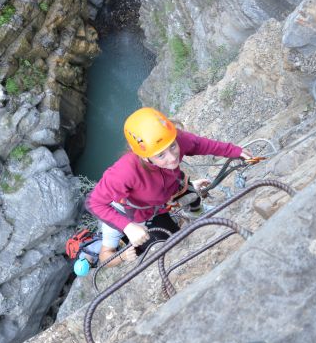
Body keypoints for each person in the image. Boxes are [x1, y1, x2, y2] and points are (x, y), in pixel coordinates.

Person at [86, 107, 251, 266]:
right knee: (172, 243)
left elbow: (201, 145)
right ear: (144, 156)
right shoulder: (125, 172)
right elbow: (94, 203)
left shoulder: (171, 139)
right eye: (160, 155)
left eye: (173, 147)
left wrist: (234, 151)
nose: (172, 158)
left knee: (191, 193)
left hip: (169, 190)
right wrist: (127, 227)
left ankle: (197, 213)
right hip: (144, 215)